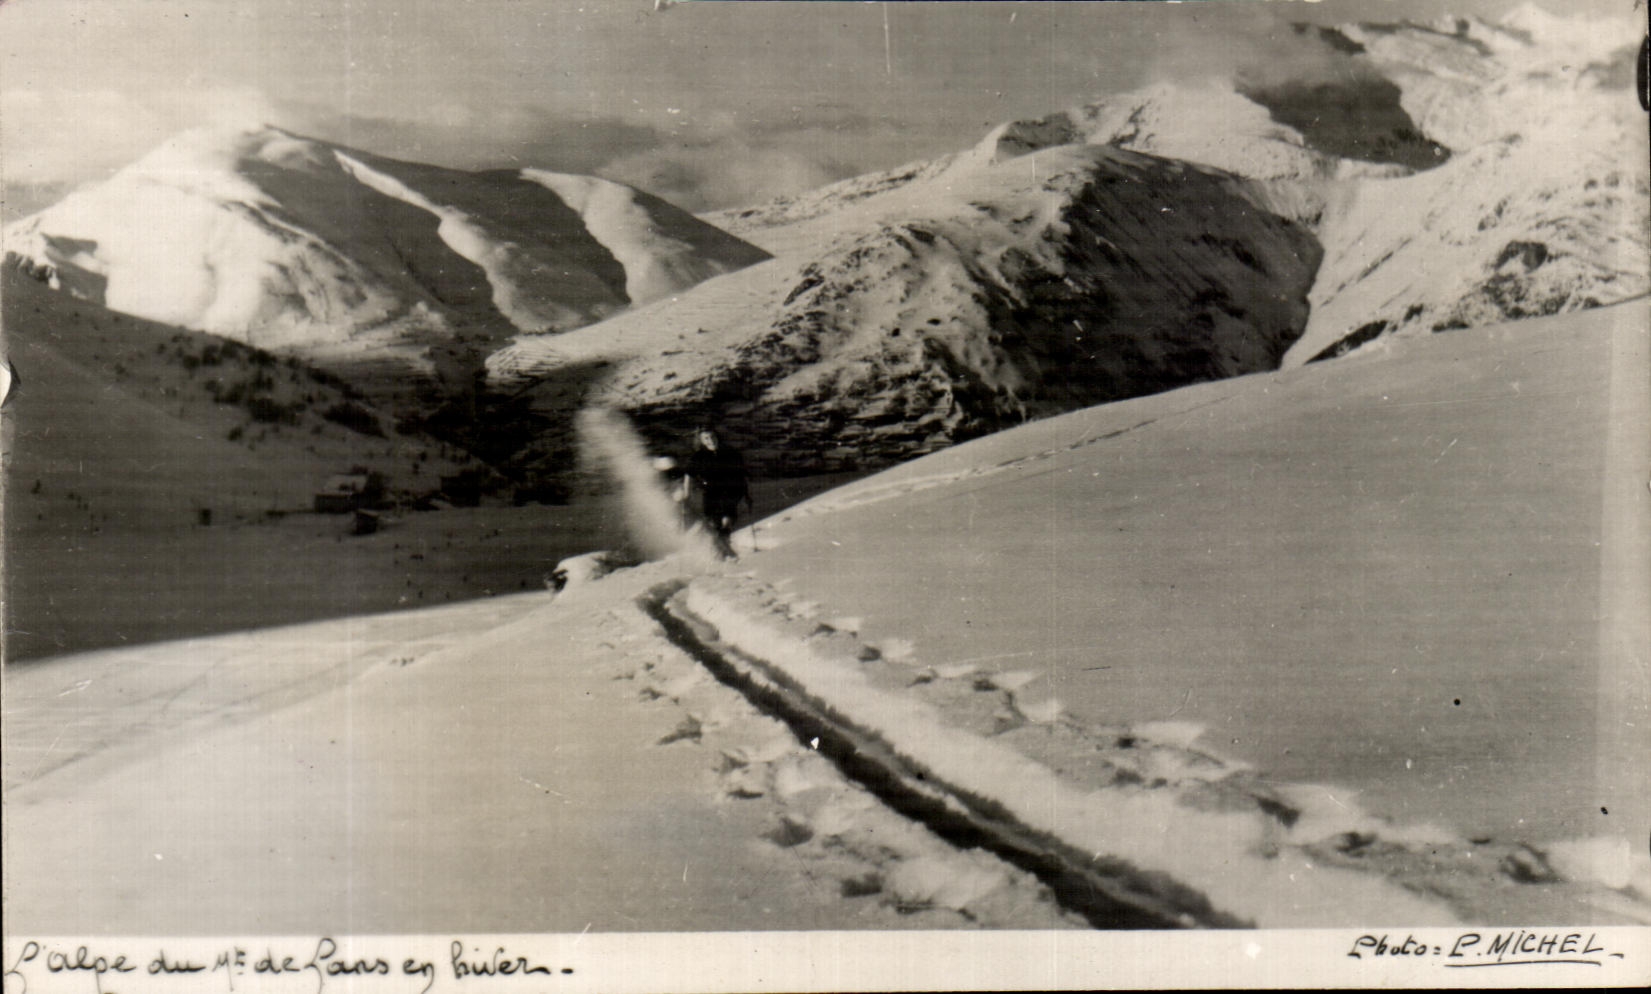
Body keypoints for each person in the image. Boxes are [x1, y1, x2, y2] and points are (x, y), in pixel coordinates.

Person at [680, 426, 751, 560]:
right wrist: (686, 493)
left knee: (726, 518)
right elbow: (689, 475)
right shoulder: (699, 457)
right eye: (706, 438)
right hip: (711, 492)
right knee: (714, 523)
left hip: (731, 489)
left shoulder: (729, 452)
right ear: (701, 441)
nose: (710, 440)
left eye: (712, 436)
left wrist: (746, 492)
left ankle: (725, 548)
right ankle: (723, 551)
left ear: (717, 436)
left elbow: (741, 472)